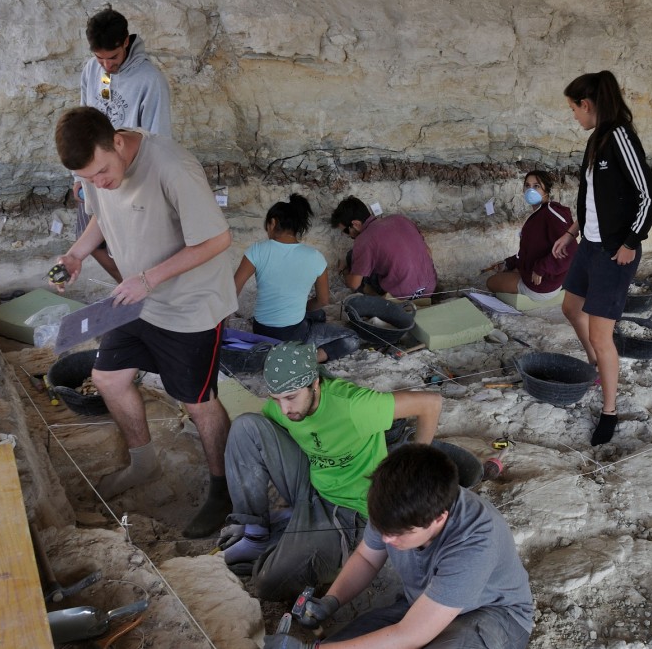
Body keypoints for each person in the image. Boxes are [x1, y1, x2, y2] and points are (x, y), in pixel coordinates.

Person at [52, 106, 235, 538]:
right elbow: (101, 213)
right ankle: (143, 461)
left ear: (117, 141)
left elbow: (217, 239)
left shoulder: (172, 166)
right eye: (88, 178)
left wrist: (148, 279)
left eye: (101, 172)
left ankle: (222, 489)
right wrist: (77, 253)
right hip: (137, 300)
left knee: (197, 401)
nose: (98, 183)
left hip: (189, 307)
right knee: (109, 378)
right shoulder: (97, 171)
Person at [220, 341, 442, 601]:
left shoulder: (354, 406)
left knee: (271, 583)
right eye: (276, 399)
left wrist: (413, 468)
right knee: (246, 426)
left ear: (314, 384)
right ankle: (256, 532)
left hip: (349, 510)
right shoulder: (283, 408)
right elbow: (262, 441)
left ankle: (300, 533)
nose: (284, 409)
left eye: (291, 397)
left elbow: (431, 403)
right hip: (309, 483)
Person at [263, 443, 534, 649]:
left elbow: (410, 634)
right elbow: (368, 559)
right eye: (382, 529)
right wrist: (331, 601)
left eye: (397, 535)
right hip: (422, 604)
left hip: (492, 615)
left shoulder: (475, 542)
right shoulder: (391, 505)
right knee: (343, 642)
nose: (386, 540)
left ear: (439, 518)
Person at [551, 71, 652, 446]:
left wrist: (632, 241)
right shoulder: (597, 139)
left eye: (573, 109)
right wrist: (572, 232)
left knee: (602, 334)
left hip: (614, 253)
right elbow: (592, 197)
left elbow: (651, 195)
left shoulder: (619, 136)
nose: (574, 117)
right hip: (590, 245)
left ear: (587, 105)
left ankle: (610, 410)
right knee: (571, 307)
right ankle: (599, 365)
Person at [73, 7, 174, 282]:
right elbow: (81, 121)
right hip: (97, 175)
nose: (106, 65)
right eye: (99, 58)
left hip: (131, 178)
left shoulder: (150, 80)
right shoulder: (92, 70)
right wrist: (79, 177)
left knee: (133, 248)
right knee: (86, 232)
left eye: (113, 57)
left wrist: (147, 191)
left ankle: (140, 290)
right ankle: (131, 288)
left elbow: (158, 138)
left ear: (126, 41)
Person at [233, 194, 361, 363]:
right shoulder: (315, 257)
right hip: (294, 334)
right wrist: (303, 307)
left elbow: (233, 289)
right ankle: (308, 357)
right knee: (352, 338)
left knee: (319, 316)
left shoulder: (257, 250)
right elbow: (323, 300)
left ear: (272, 223)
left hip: (261, 330)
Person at [485, 169, 573, 300]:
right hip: (546, 278)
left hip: (543, 284)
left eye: (536, 186)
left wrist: (541, 269)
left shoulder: (551, 214)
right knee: (508, 271)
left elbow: (569, 249)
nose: (530, 190)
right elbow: (531, 251)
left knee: (491, 282)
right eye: (527, 186)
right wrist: (509, 263)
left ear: (546, 190)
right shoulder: (540, 214)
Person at [330, 197, 437, 299]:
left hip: (402, 297)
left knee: (351, 256)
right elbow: (428, 252)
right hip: (429, 289)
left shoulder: (363, 240)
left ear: (355, 224)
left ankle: (377, 297)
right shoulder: (400, 219)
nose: (348, 235)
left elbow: (354, 284)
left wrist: (344, 270)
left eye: (346, 231)